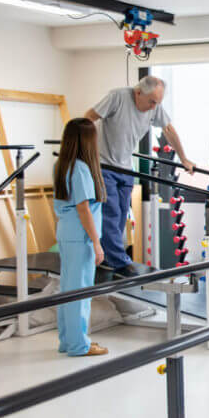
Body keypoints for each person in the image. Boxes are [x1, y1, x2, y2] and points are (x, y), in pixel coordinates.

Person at [84, 75, 196, 276]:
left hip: (126, 168)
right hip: (103, 165)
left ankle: (108, 259)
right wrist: (79, 148)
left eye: (158, 103)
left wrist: (184, 158)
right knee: (111, 214)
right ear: (138, 92)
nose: (154, 107)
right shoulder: (117, 97)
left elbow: (168, 129)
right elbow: (88, 117)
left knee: (120, 216)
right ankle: (119, 262)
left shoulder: (155, 107)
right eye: (152, 101)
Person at [53, 118, 109, 357]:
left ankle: (69, 340)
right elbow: (83, 208)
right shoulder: (81, 169)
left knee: (68, 289)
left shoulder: (62, 165)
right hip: (81, 237)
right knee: (80, 292)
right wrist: (97, 243)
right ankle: (79, 345)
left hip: (67, 233)